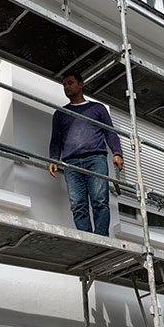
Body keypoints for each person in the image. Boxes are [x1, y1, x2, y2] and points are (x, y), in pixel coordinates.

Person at [49, 71, 123, 236]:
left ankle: (101, 238)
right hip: (71, 163)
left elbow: (110, 132)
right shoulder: (60, 114)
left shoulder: (97, 108)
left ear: (81, 84)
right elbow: (56, 139)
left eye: (70, 83)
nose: (66, 87)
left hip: (95, 159)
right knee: (77, 205)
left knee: (100, 200)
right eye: (64, 85)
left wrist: (117, 152)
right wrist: (53, 158)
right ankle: (88, 239)